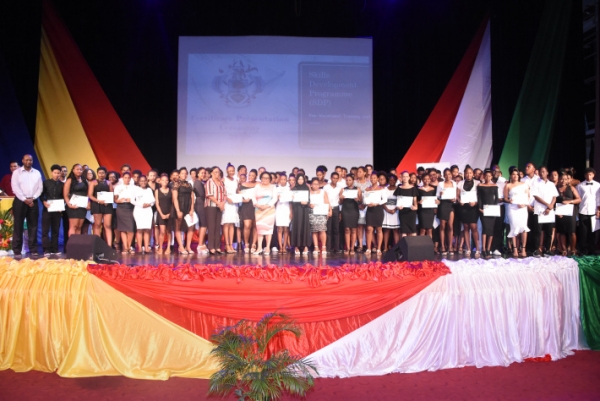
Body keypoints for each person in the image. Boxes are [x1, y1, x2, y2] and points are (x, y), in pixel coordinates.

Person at [11, 155, 43, 257]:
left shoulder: (37, 173)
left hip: (33, 201)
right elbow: (15, 187)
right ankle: (17, 250)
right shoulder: (17, 173)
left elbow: (40, 188)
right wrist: (25, 199)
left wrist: (32, 198)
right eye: (26, 160)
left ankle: (33, 249)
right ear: (23, 161)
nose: (28, 161)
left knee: (33, 226)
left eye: (30, 160)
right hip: (20, 201)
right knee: (18, 225)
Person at [532, 166, 558, 256]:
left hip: (549, 211)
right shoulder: (536, 183)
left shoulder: (551, 184)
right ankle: (536, 249)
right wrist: (547, 204)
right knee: (538, 231)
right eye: (540, 172)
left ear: (547, 173)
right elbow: (536, 196)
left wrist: (550, 207)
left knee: (549, 231)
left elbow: (554, 196)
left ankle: (547, 249)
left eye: (543, 171)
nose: (541, 173)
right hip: (539, 210)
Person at [505, 168, 530, 258]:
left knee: (523, 228)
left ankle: (523, 249)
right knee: (513, 227)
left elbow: (528, 197)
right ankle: (515, 249)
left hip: (522, 208)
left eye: (517, 174)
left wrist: (524, 204)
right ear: (511, 175)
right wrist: (509, 200)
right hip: (512, 208)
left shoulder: (524, 184)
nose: (515, 176)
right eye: (513, 174)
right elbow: (505, 198)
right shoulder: (508, 185)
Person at [41, 164, 64, 256]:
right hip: (47, 209)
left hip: (57, 210)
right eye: (55, 173)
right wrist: (44, 202)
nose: (57, 175)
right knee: (45, 230)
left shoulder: (62, 184)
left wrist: (62, 207)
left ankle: (54, 249)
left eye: (58, 173)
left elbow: (64, 197)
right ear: (51, 173)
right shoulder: (46, 183)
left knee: (55, 230)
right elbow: (41, 194)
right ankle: (46, 249)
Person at [88, 166, 114, 246]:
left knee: (108, 225)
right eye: (100, 173)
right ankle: (98, 245)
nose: (101, 174)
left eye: (103, 173)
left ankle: (109, 245)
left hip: (107, 206)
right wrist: (98, 200)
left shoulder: (109, 183)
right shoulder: (93, 182)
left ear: (105, 174)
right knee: (97, 225)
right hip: (97, 205)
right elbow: (90, 195)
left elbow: (111, 194)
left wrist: (108, 201)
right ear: (97, 173)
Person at [555, 171, 580, 256]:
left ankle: (572, 249)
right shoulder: (555, 188)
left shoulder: (572, 188)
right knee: (562, 232)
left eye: (565, 179)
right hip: (559, 213)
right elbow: (552, 201)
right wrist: (556, 211)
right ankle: (564, 249)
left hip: (570, 213)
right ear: (559, 179)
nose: (563, 181)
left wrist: (570, 201)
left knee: (572, 232)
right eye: (561, 179)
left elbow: (579, 199)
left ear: (567, 180)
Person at [576, 168, 600, 255]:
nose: (589, 176)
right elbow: (578, 198)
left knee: (593, 231)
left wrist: (598, 210)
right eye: (587, 174)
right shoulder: (580, 186)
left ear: (593, 175)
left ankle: (592, 249)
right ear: (584, 175)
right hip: (583, 210)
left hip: (593, 211)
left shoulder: (598, 185)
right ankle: (582, 249)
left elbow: (598, 199)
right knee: (583, 231)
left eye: (590, 174)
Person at [253, 172, 277, 255]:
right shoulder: (257, 186)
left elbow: (275, 198)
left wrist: (267, 206)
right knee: (260, 229)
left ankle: (267, 247)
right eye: (264, 178)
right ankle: (259, 247)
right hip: (259, 210)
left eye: (267, 178)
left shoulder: (273, 187)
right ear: (261, 178)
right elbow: (253, 198)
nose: (265, 179)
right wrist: (258, 205)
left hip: (269, 210)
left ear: (270, 179)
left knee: (268, 229)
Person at [458, 166, 480, 257]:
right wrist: (460, 201)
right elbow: (457, 196)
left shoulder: (478, 183)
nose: (468, 175)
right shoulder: (460, 183)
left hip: (473, 208)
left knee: (474, 227)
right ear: (464, 174)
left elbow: (480, 196)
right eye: (467, 173)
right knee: (466, 227)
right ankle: (468, 248)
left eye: (470, 173)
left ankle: (478, 249)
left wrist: (475, 203)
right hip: (464, 208)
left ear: (473, 174)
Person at [173, 167, 195, 254]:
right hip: (179, 207)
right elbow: (175, 198)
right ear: (179, 174)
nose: (184, 175)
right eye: (182, 173)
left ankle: (188, 246)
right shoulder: (176, 184)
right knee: (178, 227)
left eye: (186, 173)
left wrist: (192, 209)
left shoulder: (189, 184)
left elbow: (192, 197)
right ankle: (181, 247)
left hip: (188, 207)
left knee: (190, 227)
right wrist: (178, 210)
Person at [364, 172, 387, 255]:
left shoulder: (381, 189)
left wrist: (376, 203)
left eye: (374, 178)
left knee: (379, 229)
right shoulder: (367, 189)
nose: (372, 179)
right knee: (369, 229)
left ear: (377, 179)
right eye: (371, 178)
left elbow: (384, 200)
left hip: (378, 209)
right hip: (370, 210)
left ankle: (379, 248)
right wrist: (366, 203)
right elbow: (365, 199)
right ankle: (369, 248)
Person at [63, 164, 89, 238]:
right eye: (77, 169)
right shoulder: (69, 180)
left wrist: (88, 203)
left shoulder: (84, 180)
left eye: (80, 169)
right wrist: (69, 205)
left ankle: (77, 245)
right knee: (73, 226)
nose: (79, 171)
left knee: (79, 227)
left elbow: (88, 193)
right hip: (73, 206)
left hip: (82, 206)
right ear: (73, 170)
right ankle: (72, 246)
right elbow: (66, 195)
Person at [477, 169, 498, 259]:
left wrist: (495, 209)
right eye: (486, 176)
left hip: (492, 210)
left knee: (491, 229)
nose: (487, 177)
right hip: (484, 210)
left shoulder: (494, 186)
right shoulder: (480, 186)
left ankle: (489, 248)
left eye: (489, 176)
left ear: (491, 177)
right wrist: (480, 208)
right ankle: (484, 249)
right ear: (483, 176)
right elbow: (479, 198)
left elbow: (496, 198)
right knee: (485, 229)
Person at [339, 174, 362, 254]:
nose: (348, 182)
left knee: (353, 229)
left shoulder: (357, 189)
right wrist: (341, 198)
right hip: (345, 210)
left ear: (353, 181)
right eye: (347, 180)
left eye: (350, 180)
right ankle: (347, 248)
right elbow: (340, 202)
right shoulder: (343, 190)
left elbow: (361, 202)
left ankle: (352, 248)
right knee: (347, 229)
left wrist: (357, 199)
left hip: (354, 210)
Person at [308, 177, 331, 255]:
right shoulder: (309, 192)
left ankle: (324, 246)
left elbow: (327, 202)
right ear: (311, 185)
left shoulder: (323, 192)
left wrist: (330, 210)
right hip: (312, 213)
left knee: (322, 229)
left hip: (322, 212)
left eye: (317, 184)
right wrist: (309, 205)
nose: (316, 185)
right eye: (314, 184)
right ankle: (316, 246)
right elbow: (307, 202)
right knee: (314, 230)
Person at [436, 168, 457, 255]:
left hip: (451, 205)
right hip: (443, 205)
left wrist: (454, 200)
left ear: (451, 175)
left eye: (449, 174)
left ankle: (450, 246)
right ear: (443, 175)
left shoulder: (454, 183)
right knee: (442, 226)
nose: (448, 176)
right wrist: (440, 195)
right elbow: (437, 195)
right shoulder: (440, 184)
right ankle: (443, 247)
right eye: (446, 174)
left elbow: (455, 196)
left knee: (450, 226)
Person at [132, 175, 155, 253]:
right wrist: (141, 205)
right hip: (139, 210)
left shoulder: (149, 190)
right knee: (139, 229)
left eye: (144, 181)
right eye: (141, 181)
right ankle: (139, 247)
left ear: (146, 181)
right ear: (139, 182)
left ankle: (146, 248)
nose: (143, 182)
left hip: (148, 211)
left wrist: (149, 204)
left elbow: (153, 201)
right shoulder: (135, 189)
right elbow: (132, 200)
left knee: (147, 230)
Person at [114, 172, 136, 254]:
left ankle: (129, 246)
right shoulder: (118, 187)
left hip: (130, 207)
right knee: (122, 229)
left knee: (131, 229)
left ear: (130, 178)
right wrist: (117, 200)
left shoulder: (134, 188)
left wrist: (131, 200)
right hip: (121, 208)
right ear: (122, 178)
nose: (127, 179)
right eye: (125, 177)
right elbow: (115, 199)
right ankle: (125, 248)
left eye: (128, 177)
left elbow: (137, 198)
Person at [205, 166, 225, 255]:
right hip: (211, 206)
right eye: (216, 172)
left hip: (220, 206)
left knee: (218, 227)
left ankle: (217, 246)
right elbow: (209, 195)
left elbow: (225, 194)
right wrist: (218, 203)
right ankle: (211, 246)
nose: (217, 174)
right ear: (212, 173)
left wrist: (222, 203)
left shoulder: (221, 182)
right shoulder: (209, 182)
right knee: (212, 227)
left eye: (219, 172)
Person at [290, 174, 311, 255]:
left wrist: (306, 203)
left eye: (302, 179)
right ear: (296, 180)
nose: (300, 181)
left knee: (305, 227)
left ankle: (305, 246)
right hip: (297, 210)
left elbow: (309, 200)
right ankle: (296, 246)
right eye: (299, 179)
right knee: (297, 227)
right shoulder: (294, 189)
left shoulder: (307, 188)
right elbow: (291, 202)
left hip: (305, 210)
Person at [394, 171, 419, 237]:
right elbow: (397, 201)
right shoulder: (399, 188)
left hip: (411, 212)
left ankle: (413, 247)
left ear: (409, 178)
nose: (405, 178)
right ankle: (404, 247)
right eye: (403, 176)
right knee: (403, 231)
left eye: (406, 176)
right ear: (401, 177)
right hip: (402, 212)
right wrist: (397, 207)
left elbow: (415, 201)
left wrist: (416, 207)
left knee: (413, 230)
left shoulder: (413, 188)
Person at [222, 163, 240, 254]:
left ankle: (231, 244)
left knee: (232, 224)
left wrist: (239, 198)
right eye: (229, 171)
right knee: (226, 224)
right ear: (226, 171)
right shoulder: (223, 179)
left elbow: (237, 191)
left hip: (234, 204)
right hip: (227, 203)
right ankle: (227, 244)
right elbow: (221, 191)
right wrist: (226, 198)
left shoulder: (236, 180)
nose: (231, 172)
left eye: (232, 170)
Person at [239, 169, 258, 253]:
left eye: (253, 175)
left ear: (256, 177)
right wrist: (243, 200)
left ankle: (254, 244)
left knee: (256, 226)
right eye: (249, 175)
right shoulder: (243, 184)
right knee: (247, 225)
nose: (251, 177)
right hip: (246, 206)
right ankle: (246, 243)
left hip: (256, 206)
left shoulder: (259, 185)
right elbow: (239, 195)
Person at [155, 173, 173, 255]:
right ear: (160, 181)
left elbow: (173, 203)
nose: (165, 181)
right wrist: (161, 214)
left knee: (169, 231)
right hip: (161, 213)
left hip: (170, 213)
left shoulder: (171, 190)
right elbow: (157, 204)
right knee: (162, 232)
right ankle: (160, 247)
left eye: (166, 180)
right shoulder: (157, 191)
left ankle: (168, 247)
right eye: (163, 180)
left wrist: (170, 213)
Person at [324, 172, 341, 253]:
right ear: (331, 178)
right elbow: (324, 199)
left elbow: (340, 201)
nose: (334, 179)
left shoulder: (340, 188)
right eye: (333, 178)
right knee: (328, 229)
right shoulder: (326, 187)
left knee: (336, 229)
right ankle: (328, 248)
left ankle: (336, 248)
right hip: (327, 209)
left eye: (336, 178)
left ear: (338, 179)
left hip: (336, 208)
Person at [274, 172, 292, 254]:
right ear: (279, 180)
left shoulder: (289, 189)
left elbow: (291, 202)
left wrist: (291, 212)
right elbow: (273, 201)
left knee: (286, 229)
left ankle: (284, 247)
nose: (283, 181)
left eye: (284, 179)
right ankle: (280, 247)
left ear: (286, 180)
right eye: (281, 179)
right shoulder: (276, 189)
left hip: (287, 209)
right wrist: (276, 198)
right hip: (279, 209)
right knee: (279, 229)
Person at [355, 166, 371, 252]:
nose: (358, 173)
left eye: (360, 172)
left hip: (368, 207)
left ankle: (369, 245)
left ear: (365, 173)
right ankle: (360, 245)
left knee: (368, 227)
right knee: (360, 226)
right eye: (357, 172)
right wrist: (359, 204)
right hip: (357, 207)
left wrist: (365, 204)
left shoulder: (369, 183)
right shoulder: (354, 183)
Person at [382, 173, 400, 250]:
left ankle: (397, 248)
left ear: (396, 181)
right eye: (390, 180)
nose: (392, 181)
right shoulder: (384, 189)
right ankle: (385, 247)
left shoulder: (399, 189)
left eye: (393, 180)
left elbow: (400, 200)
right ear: (388, 181)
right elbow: (382, 201)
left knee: (396, 230)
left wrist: (394, 209)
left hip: (396, 210)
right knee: (387, 229)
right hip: (386, 210)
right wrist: (388, 210)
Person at [417, 174, 438, 238]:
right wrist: (418, 202)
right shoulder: (418, 189)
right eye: (425, 179)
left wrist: (437, 202)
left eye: (428, 179)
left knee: (429, 229)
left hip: (430, 211)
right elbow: (415, 200)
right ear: (422, 180)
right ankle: (421, 246)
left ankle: (429, 246)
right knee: (422, 229)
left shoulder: (434, 189)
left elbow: (436, 199)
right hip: (422, 211)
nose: (426, 180)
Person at [192, 169, 208, 254]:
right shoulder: (197, 182)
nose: (203, 174)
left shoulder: (201, 182)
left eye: (204, 173)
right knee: (203, 224)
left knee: (203, 224)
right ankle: (200, 244)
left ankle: (202, 243)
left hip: (201, 203)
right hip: (200, 203)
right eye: (202, 173)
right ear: (198, 174)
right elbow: (202, 194)